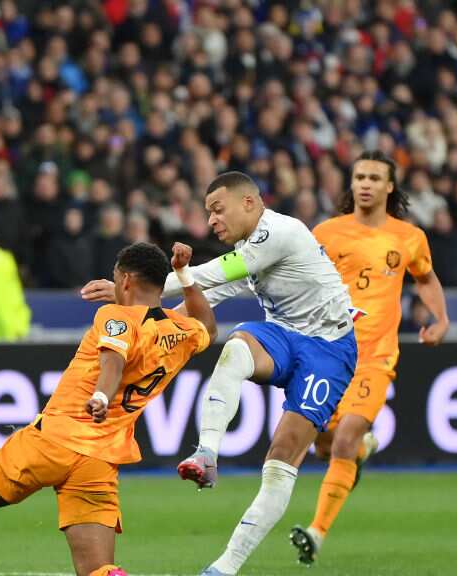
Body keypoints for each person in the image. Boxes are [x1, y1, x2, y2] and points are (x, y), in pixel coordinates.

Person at [85, 171, 358, 576]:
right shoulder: (251, 247)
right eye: (208, 212)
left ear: (249, 202)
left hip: (330, 352)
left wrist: (133, 287)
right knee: (235, 348)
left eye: (217, 209)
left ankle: (225, 567)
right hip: (283, 335)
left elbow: (211, 275)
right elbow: (207, 294)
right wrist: (152, 320)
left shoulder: (280, 232)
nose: (212, 220)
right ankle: (207, 453)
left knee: (282, 458)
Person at [0, 242, 216, 576]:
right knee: (97, 568)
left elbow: (113, 361)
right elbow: (207, 324)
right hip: (100, 459)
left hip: (54, 439)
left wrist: (101, 397)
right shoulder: (178, 331)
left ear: (124, 280)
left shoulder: (114, 316)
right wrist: (184, 274)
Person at [289, 150, 449, 564]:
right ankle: (361, 453)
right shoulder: (326, 231)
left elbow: (426, 278)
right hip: (326, 353)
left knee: (343, 439)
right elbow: (298, 280)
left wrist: (441, 318)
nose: (365, 184)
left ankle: (316, 531)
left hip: (376, 356)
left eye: (375, 178)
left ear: (389, 187)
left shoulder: (408, 237)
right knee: (322, 441)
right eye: (359, 176)